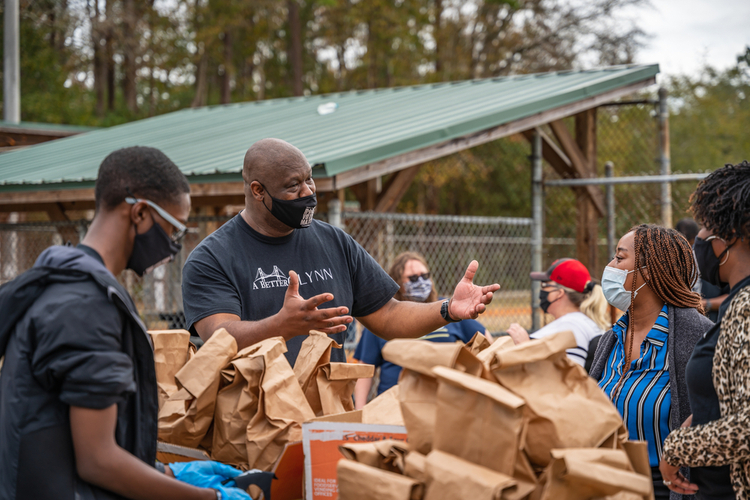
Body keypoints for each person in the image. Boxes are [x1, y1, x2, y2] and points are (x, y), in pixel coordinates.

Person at [0, 147, 250, 500]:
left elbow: (67, 433)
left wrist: (166, 472)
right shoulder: (85, 306)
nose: (174, 246)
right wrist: (208, 498)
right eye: (172, 229)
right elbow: (97, 460)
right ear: (141, 213)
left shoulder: (57, 282)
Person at [182, 138, 499, 367]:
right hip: (252, 422)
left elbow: (388, 315)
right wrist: (280, 325)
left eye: (309, 179)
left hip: (328, 410)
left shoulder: (334, 241)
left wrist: (447, 309)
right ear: (258, 190)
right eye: (293, 186)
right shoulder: (212, 258)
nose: (308, 192)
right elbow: (218, 338)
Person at [589, 224, 712, 500]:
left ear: (649, 270)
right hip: (606, 484)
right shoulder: (610, 340)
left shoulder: (698, 339)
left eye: (620, 258)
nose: (610, 266)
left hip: (666, 489)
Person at [660, 160, 750, 500]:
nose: (697, 238)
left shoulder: (746, 307)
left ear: (729, 234)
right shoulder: (737, 303)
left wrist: (677, 446)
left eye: (704, 226)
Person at [352, 252, 492, 407]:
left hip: (444, 403)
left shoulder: (449, 309)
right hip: (394, 405)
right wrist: (361, 411)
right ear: (396, 281)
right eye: (413, 278)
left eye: (425, 276)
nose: (421, 282)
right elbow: (365, 368)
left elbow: (486, 343)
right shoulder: (384, 318)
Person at [506, 258, 609, 371]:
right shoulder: (583, 322)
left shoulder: (570, 327)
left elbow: (568, 378)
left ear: (559, 293)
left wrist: (524, 347)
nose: (541, 290)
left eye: (545, 285)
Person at [676, 217, 728, 321]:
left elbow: (732, 297)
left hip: (712, 321)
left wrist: (703, 303)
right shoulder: (673, 262)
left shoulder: (714, 261)